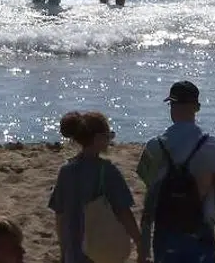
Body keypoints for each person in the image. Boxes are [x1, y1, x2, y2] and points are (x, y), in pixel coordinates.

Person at [136, 81, 215, 263]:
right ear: (197, 107)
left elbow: (150, 197)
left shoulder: (154, 146)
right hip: (199, 228)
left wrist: (143, 244)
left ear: (171, 106)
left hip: (165, 228)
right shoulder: (213, 147)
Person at [49, 110, 146, 263]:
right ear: (97, 138)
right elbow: (123, 212)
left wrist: (63, 249)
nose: (110, 141)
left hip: (74, 251)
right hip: (100, 248)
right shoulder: (107, 170)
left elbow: (60, 214)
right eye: (108, 136)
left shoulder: (66, 170)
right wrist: (139, 241)